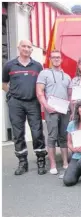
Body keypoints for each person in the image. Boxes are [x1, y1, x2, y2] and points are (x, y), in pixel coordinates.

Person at [2, 39, 47, 175]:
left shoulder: (37, 66)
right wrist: (11, 96)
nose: (26, 49)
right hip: (16, 103)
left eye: (29, 47)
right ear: (19, 47)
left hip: (33, 102)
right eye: (24, 46)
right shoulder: (9, 65)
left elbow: (42, 84)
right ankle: (22, 162)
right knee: (18, 133)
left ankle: (41, 161)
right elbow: (4, 83)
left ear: (31, 50)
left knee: (37, 132)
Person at [36, 50, 71, 175]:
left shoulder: (67, 76)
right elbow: (39, 92)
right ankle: (53, 164)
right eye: (54, 57)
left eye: (58, 57)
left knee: (63, 136)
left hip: (64, 110)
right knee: (51, 136)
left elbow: (70, 95)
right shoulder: (44, 73)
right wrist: (46, 106)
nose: (56, 59)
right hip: (51, 109)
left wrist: (71, 110)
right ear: (50, 59)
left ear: (61, 60)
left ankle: (66, 162)